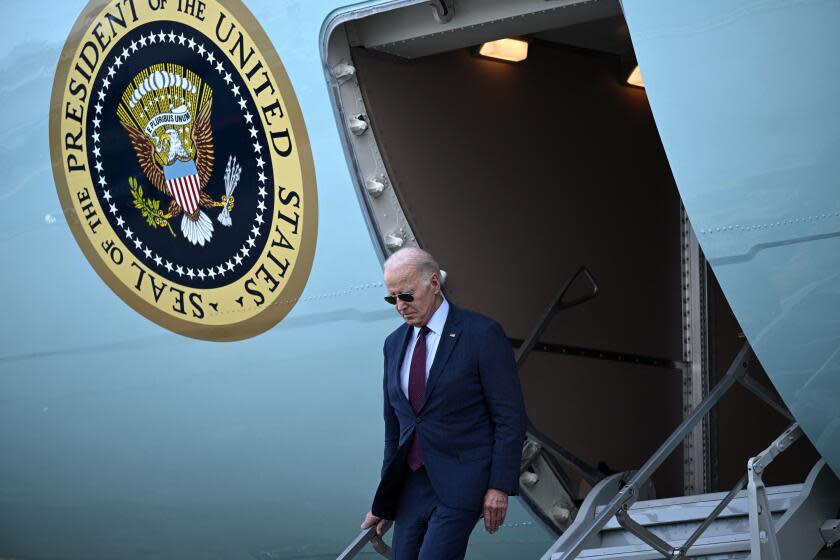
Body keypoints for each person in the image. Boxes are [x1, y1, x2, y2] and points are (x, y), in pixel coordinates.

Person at [361, 247, 527, 559]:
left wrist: (499, 486)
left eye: (406, 296)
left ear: (434, 284)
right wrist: (384, 499)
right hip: (411, 487)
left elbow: (510, 417)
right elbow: (394, 428)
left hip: (461, 482)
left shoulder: (481, 334)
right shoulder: (394, 344)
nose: (400, 306)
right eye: (392, 298)